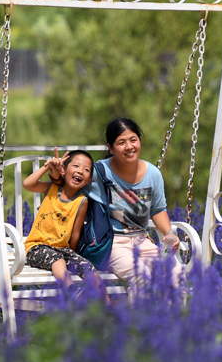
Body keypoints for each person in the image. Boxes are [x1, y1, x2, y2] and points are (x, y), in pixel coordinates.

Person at [52, 117, 181, 299]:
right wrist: (58, 172)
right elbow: (66, 188)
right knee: (141, 276)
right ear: (111, 148)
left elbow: (158, 209)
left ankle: (177, 326)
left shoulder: (153, 174)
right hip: (112, 244)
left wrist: (169, 233)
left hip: (142, 241)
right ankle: (139, 326)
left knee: (175, 276)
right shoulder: (98, 172)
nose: (129, 147)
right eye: (121, 142)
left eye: (133, 140)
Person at [23, 150, 108, 302]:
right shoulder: (52, 189)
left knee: (87, 266)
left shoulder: (82, 201)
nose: (80, 171)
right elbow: (28, 184)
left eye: (86, 170)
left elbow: (75, 234)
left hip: (63, 250)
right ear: (63, 169)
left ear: (89, 180)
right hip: (37, 247)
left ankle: (108, 307)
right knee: (57, 259)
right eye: (75, 166)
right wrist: (47, 166)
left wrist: (73, 257)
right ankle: (73, 292)